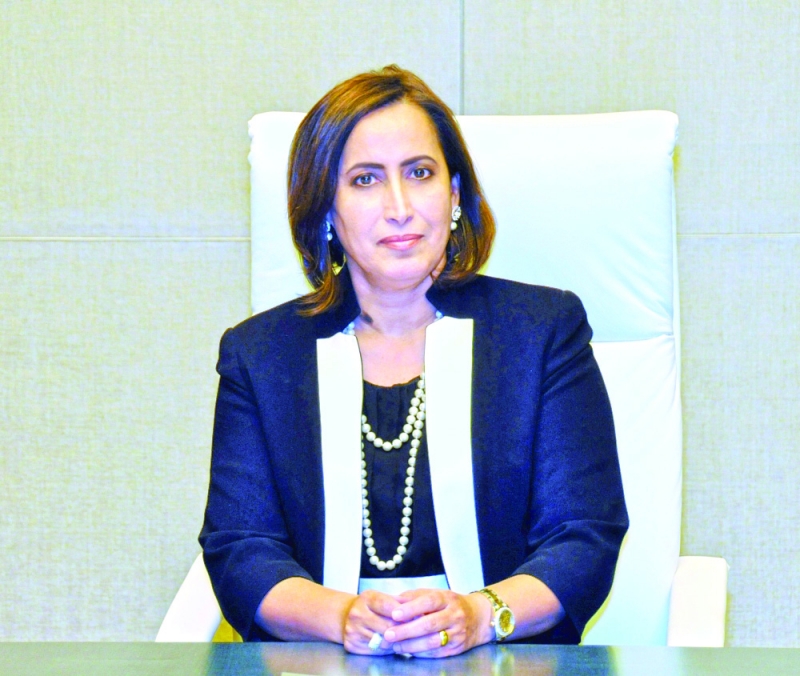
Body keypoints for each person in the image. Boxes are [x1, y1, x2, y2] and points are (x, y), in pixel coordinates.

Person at [199, 65, 628, 657]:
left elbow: (582, 536)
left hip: (504, 656)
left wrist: (479, 615)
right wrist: (343, 618)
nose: (399, 207)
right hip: (320, 658)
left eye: (420, 173)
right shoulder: (260, 355)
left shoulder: (543, 332)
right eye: (365, 180)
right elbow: (240, 547)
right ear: (325, 210)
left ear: (454, 195)